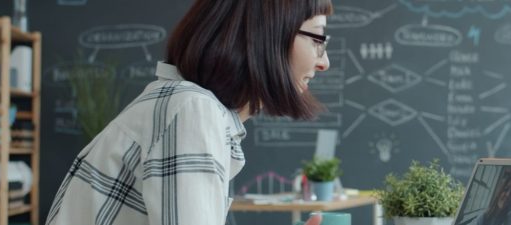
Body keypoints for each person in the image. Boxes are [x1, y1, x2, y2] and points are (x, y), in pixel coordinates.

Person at [45, 0, 332, 224]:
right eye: (317, 39)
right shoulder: (192, 110)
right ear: (266, 34)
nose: (325, 62)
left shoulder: (185, 105)